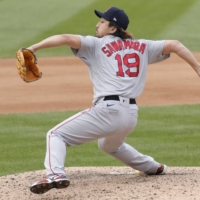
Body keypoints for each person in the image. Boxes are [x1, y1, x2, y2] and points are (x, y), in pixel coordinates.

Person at [28, 7, 200, 194]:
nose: (97, 24)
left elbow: (64, 38)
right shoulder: (142, 46)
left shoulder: (95, 44)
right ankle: (153, 167)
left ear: (112, 29)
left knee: (56, 135)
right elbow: (175, 44)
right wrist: (198, 67)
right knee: (109, 145)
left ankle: (55, 175)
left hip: (108, 110)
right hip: (130, 116)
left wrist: (33, 48)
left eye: (102, 21)